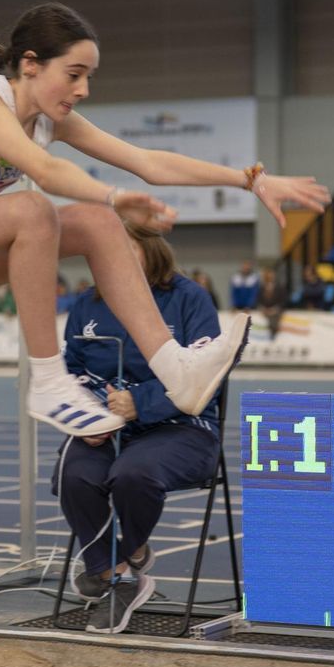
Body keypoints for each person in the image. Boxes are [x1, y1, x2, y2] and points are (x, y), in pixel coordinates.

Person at [0, 0, 330, 437]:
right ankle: (48, 381)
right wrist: (110, 193)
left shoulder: (51, 121)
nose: (83, 89)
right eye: (74, 74)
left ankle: (175, 368)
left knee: (96, 224)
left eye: (88, 76)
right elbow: (43, 172)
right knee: (32, 208)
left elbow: (148, 162)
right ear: (29, 65)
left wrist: (249, 179)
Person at [55, 223, 223, 634]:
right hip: (109, 428)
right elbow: (70, 370)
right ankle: (119, 576)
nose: (111, 260)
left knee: (133, 475)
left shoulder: (188, 299)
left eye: (124, 249)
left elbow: (206, 374)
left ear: (151, 249)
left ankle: (128, 551)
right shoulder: (87, 304)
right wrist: (90, 417)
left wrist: (140, 405)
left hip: (182, 427)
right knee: (73, 474)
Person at [255, 265, 288, 338]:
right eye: (268, 274)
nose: (270, 276)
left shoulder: (280, 287)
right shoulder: (261, 287)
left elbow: (283, 300)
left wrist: (275, 309)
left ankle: (273, 334)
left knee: (274, 319)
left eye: (271, 274)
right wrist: (262, 308)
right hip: (264, 311)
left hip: (276, 311)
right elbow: (258, 300)